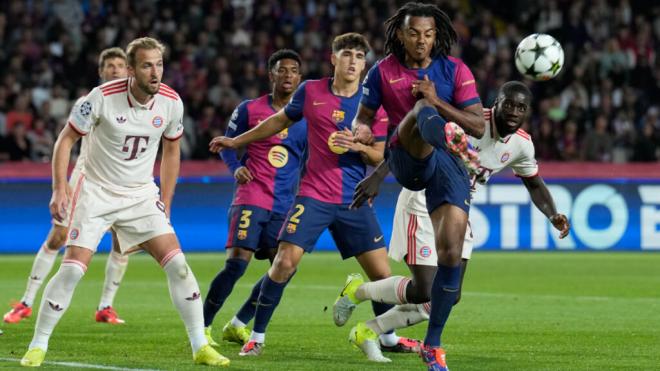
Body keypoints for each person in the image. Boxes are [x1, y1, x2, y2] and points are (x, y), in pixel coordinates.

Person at [19, 37, 229, 367]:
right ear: (130, 70)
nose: (155, 72)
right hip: (96, 193)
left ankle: (200, 345)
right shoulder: (99, 98)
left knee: (178, 264)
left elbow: (171, 151)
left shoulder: (172, 103)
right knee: (73, 270)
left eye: (159, 64)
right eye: (147, 65)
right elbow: (65, 141)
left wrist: (166, 200)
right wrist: (60, 189)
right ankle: (38, 344)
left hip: (140, 194)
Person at [209, 33, 411, 361]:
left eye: (359, 56)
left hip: (353, 200)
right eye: (346, 54)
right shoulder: (311, 91)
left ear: (364, 63)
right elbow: (277, 121)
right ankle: (256, 337)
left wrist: (357, 147)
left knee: (382, 276)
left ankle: (386, 335)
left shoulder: (374, 104)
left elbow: (380, 157)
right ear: (333, 58)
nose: (352, 61)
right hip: (313, 196)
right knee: (284, 262)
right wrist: (237, 142)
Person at [341, 81, 571, 365]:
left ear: (527, 112)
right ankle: (360, 292)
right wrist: (378, 175)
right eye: (508, 103)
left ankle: (368, 330)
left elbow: (534, 183)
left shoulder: (522, 144)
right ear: (495, 103)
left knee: (449, 295)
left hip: (457, 207)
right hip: (423, 198)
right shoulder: (464, 120)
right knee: (425, 289)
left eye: (520, 107)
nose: (513, 111)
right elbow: (409, 142)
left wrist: (553, 214)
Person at [336, 3, 485, 370]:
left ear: (437, 36)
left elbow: (479, 126)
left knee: (447, 261)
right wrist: (363, 134)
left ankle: (431, 347)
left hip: (446, 164)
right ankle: (452, 140)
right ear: (400, 34)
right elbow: (365, 118)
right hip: (405, 157)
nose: (422, 41)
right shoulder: (382, 72)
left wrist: (438, 101)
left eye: (429, 34)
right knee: (420, 112)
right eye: (414, 33)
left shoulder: (455, 70)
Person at [4, 47, 131, 325]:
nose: (115, 70)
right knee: (58, 238)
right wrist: (61, 186)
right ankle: (26, 302)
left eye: (120, 65)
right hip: (86, 180)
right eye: (109, 65)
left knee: (122, 244)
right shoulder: (90, 102)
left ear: (127, 70)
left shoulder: (138, 103)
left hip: (124, 185)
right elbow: (66, 140)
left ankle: (105, 307)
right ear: (101, 71)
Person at [202, 49, 307, 346]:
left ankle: (238, 323)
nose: (288, 75)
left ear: (299, 77)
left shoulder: (306, 118)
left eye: (293, 70)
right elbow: (225, 144)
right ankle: (203, 328)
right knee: (236, 265)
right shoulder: (249, 109)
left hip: (284, 204)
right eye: (282, 70)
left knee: (285, 269)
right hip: (251, 196)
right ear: (271, 74)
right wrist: (236, 168)